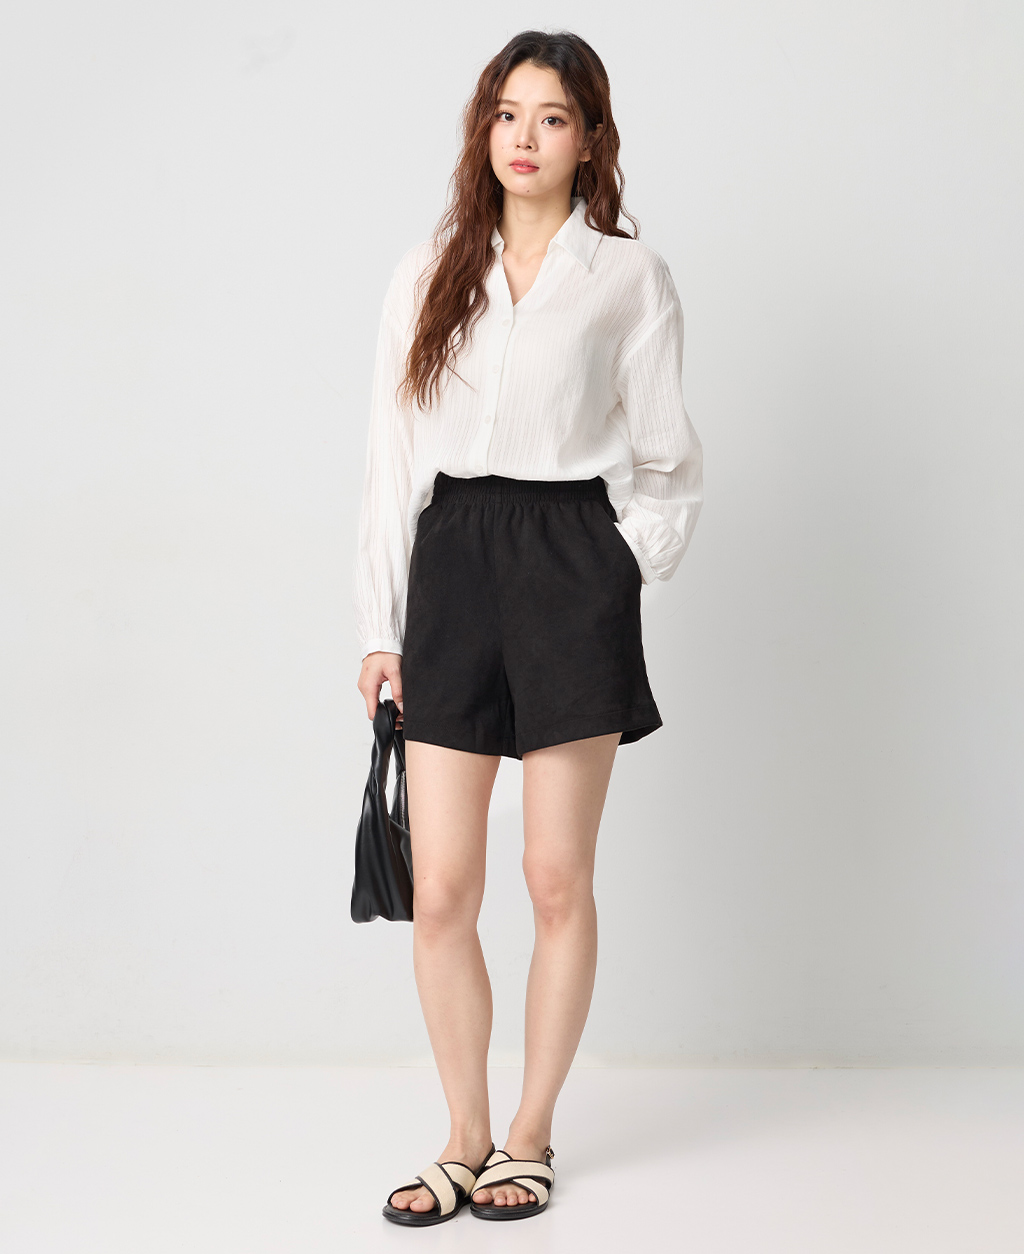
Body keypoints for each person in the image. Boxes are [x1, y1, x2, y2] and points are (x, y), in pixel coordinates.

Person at [354, 29, 703, 1226]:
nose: (525, 137)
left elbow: (668, 462)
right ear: (483, 126)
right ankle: (461, 1136)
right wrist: (379, 624)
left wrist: (614, 569)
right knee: (443, 887)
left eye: (552, 117)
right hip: (452, 563)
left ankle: (529, 1135)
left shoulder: (626, 278)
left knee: (555, 876)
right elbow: (388, 458)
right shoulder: (430, 268)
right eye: (508, 112)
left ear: (588, 140)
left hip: (568, 566)